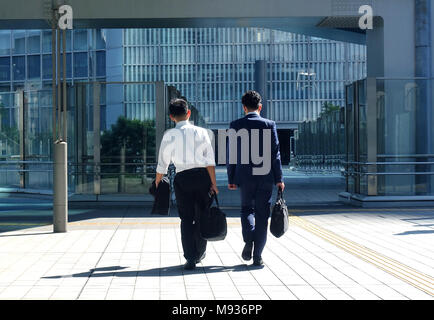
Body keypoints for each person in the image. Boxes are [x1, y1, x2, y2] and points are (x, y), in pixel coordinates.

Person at [155, 98, 218, 270]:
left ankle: (190, 258)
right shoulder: (202, 132)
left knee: (186, 219)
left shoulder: (169, 135)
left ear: (171, 117)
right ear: (188, 113)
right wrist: (213, 184)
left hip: (182, 178)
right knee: (202, 216)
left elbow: (163, 163)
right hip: (203, 177)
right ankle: (200, 252)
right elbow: (210, 162)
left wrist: (157, 181)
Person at [227, 90, 284, 267]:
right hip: (265, 177)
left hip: (244, 177)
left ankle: (248, 239)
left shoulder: (235, 125)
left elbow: (231, 155)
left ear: (244, 107)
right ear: (260, 107)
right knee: (262, 215)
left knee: (246, 210)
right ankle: (258, 256)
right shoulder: (269, 124)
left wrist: (231, 178)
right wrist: (279, 178)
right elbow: (275, 154)